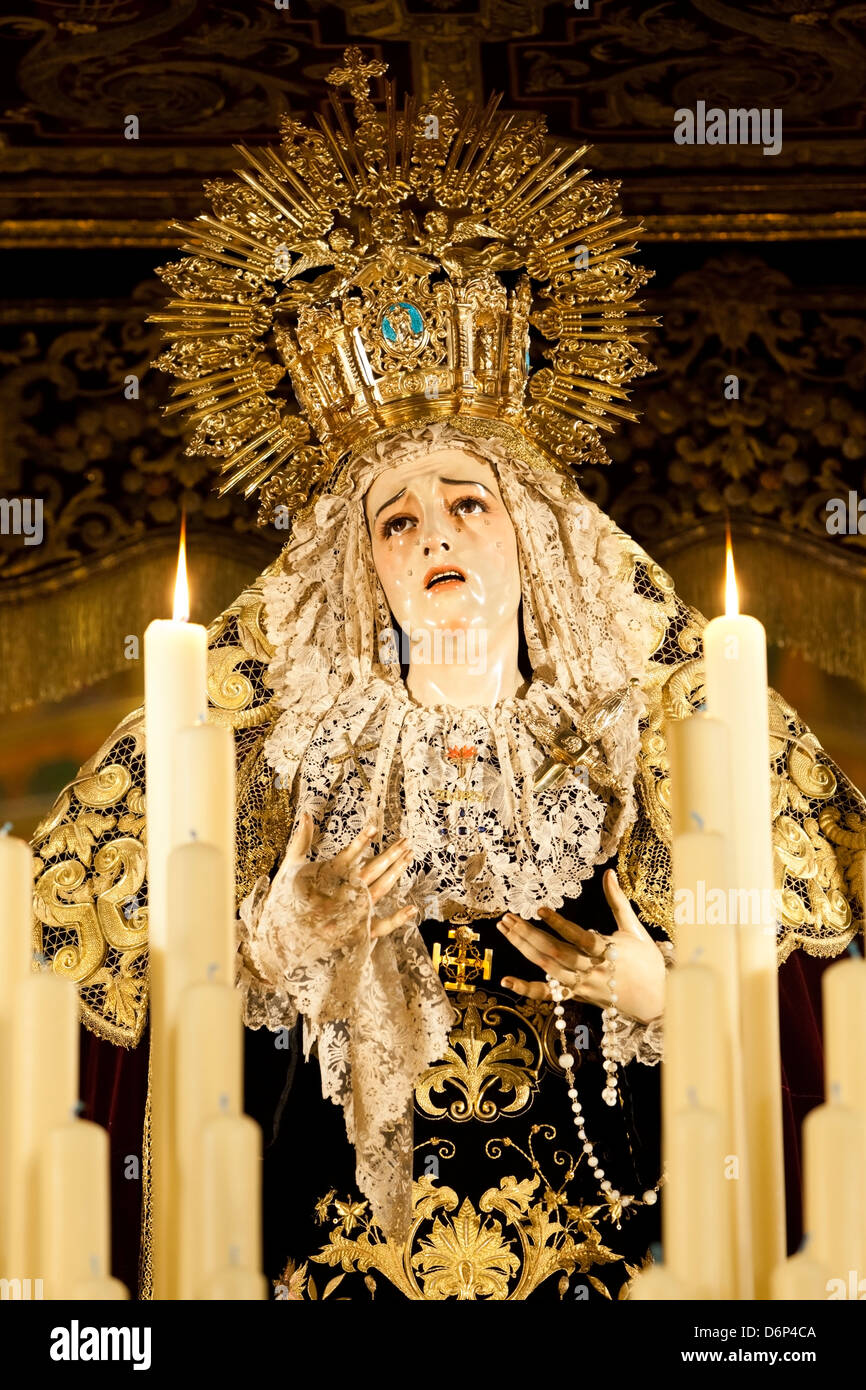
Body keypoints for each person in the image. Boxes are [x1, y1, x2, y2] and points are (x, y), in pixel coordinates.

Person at [33, 46, 863, 1301]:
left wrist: (677, 992)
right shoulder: (262, 752)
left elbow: (816, 1033)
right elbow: (106, 1020)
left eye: (465, 502)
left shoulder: (669, 740)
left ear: (531, 534)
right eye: (394, 518)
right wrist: (267, 946)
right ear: (355, 565)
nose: (430, 535)